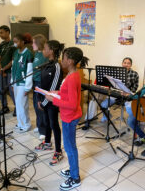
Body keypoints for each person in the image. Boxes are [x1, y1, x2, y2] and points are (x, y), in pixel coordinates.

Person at [45, 47, 89, 190]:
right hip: (68, 116)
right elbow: (68, 94)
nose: (61, 60)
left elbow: (71, 104)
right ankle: (73, 168)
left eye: (63, 58)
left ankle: (75, 178)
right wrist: (57, 92)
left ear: (70, 61)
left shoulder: (72, 77)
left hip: (69, 117)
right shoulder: (72, 74)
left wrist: (53, 100)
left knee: (70, 148)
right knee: (70, 146)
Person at [35, 40, 64, 166]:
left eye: (45, 48)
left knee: (54, 124)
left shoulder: (57, 67)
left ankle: (58, 151)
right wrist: (39, 99)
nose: (43, 50)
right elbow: (42, 84)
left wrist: (45, 102)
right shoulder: (47, 64)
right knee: (46, 122)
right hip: (44, 101)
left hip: (52, 102)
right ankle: (47, 143)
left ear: (51, 50)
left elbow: (54, 87)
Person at [99, 57, 139, 123]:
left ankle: (132, 122)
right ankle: (107, 116)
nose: (126, 64)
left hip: (127, 96)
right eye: (125, 63)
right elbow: (112, 84)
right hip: (116, 94)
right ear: (122, 63)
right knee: (103, 105)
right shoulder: (116, 72)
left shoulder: (135, 74)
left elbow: (135, 87)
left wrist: (128, 93)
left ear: (131, 65)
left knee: (130, 110)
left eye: (128, 63)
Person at [11, 33, 33, 132]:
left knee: (22, 104)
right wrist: (12, 81)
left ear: (22, 42)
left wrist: (28, 87)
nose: (15, 43)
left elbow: (29, 71)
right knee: (18, 104)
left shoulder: (28, 54)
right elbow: (13, 67)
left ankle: (26, 124)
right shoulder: (16, 53)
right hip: (16, 81)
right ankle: (20, 123)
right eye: (14, 42)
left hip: (23, 83)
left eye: (16, 41)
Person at [0, 25, 17, 116]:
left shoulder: (13, 44)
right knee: (1, 90)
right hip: (1, 71)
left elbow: (13, 60)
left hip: (10, 71)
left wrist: (4, 69)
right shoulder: (1, 44)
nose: (0, 34)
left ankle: (17, 107)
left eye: (2, 32)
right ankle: (5, 107)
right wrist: (1, 68)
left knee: (11, 90)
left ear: (8, 32)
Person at [31, 34, 48, 140]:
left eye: (33, 42)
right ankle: (39, 125)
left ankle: (44, 130)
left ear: (38, 43)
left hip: (41, 83)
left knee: (41, 106)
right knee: (35, 105)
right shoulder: (37, 53)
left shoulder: (44, 55)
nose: (32, 45)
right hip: (35, 81)